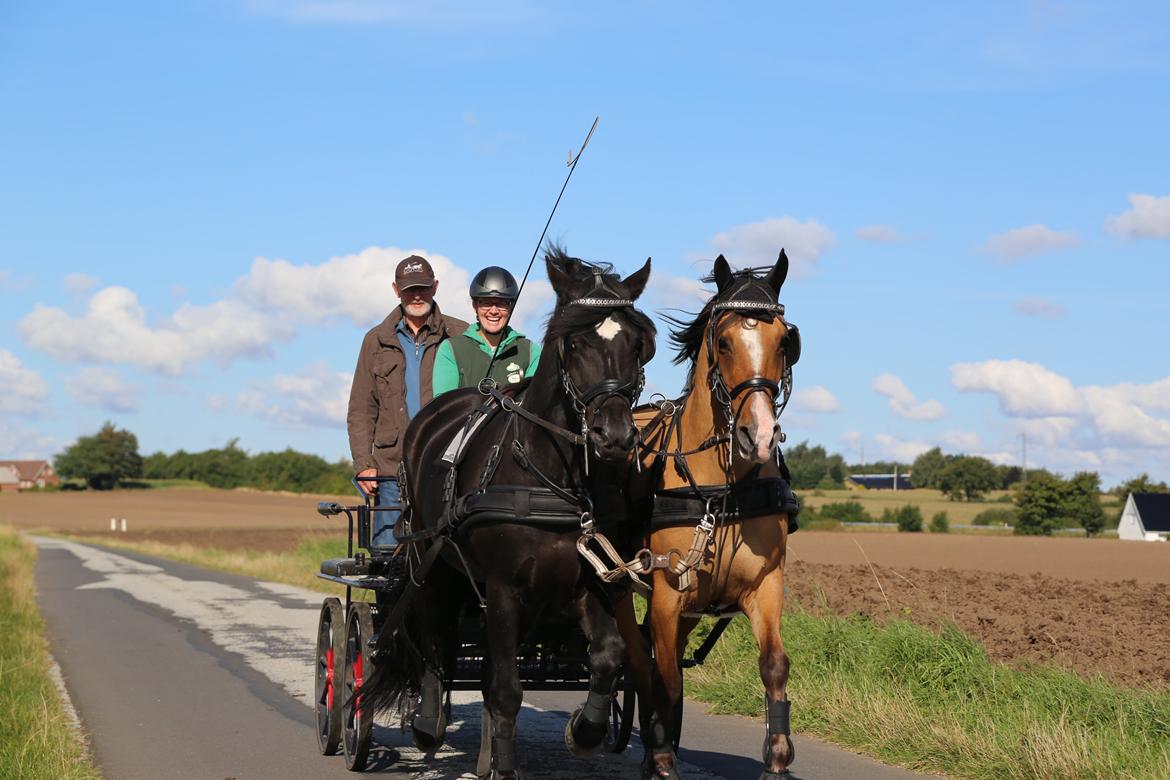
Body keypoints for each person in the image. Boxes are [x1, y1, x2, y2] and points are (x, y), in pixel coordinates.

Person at [347, 255, 468, 550]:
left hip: (445, 466)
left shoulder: (459, 334)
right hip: (391, 470)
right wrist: (364, 464)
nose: (417, 296)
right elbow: (361, 410)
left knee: (446, 555)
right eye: (409, 289)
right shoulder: (375, 340)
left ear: (436, 287)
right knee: (387, 557)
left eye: (423, 288)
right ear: (395, 290)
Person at [432, 266, 541, 397]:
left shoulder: (531, 351)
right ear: (475, 306)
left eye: (501, 303)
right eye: (486, 303)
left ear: (511, 307)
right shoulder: (451, 349)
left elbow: (535, 404)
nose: (494, 311)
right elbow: (444, 408)